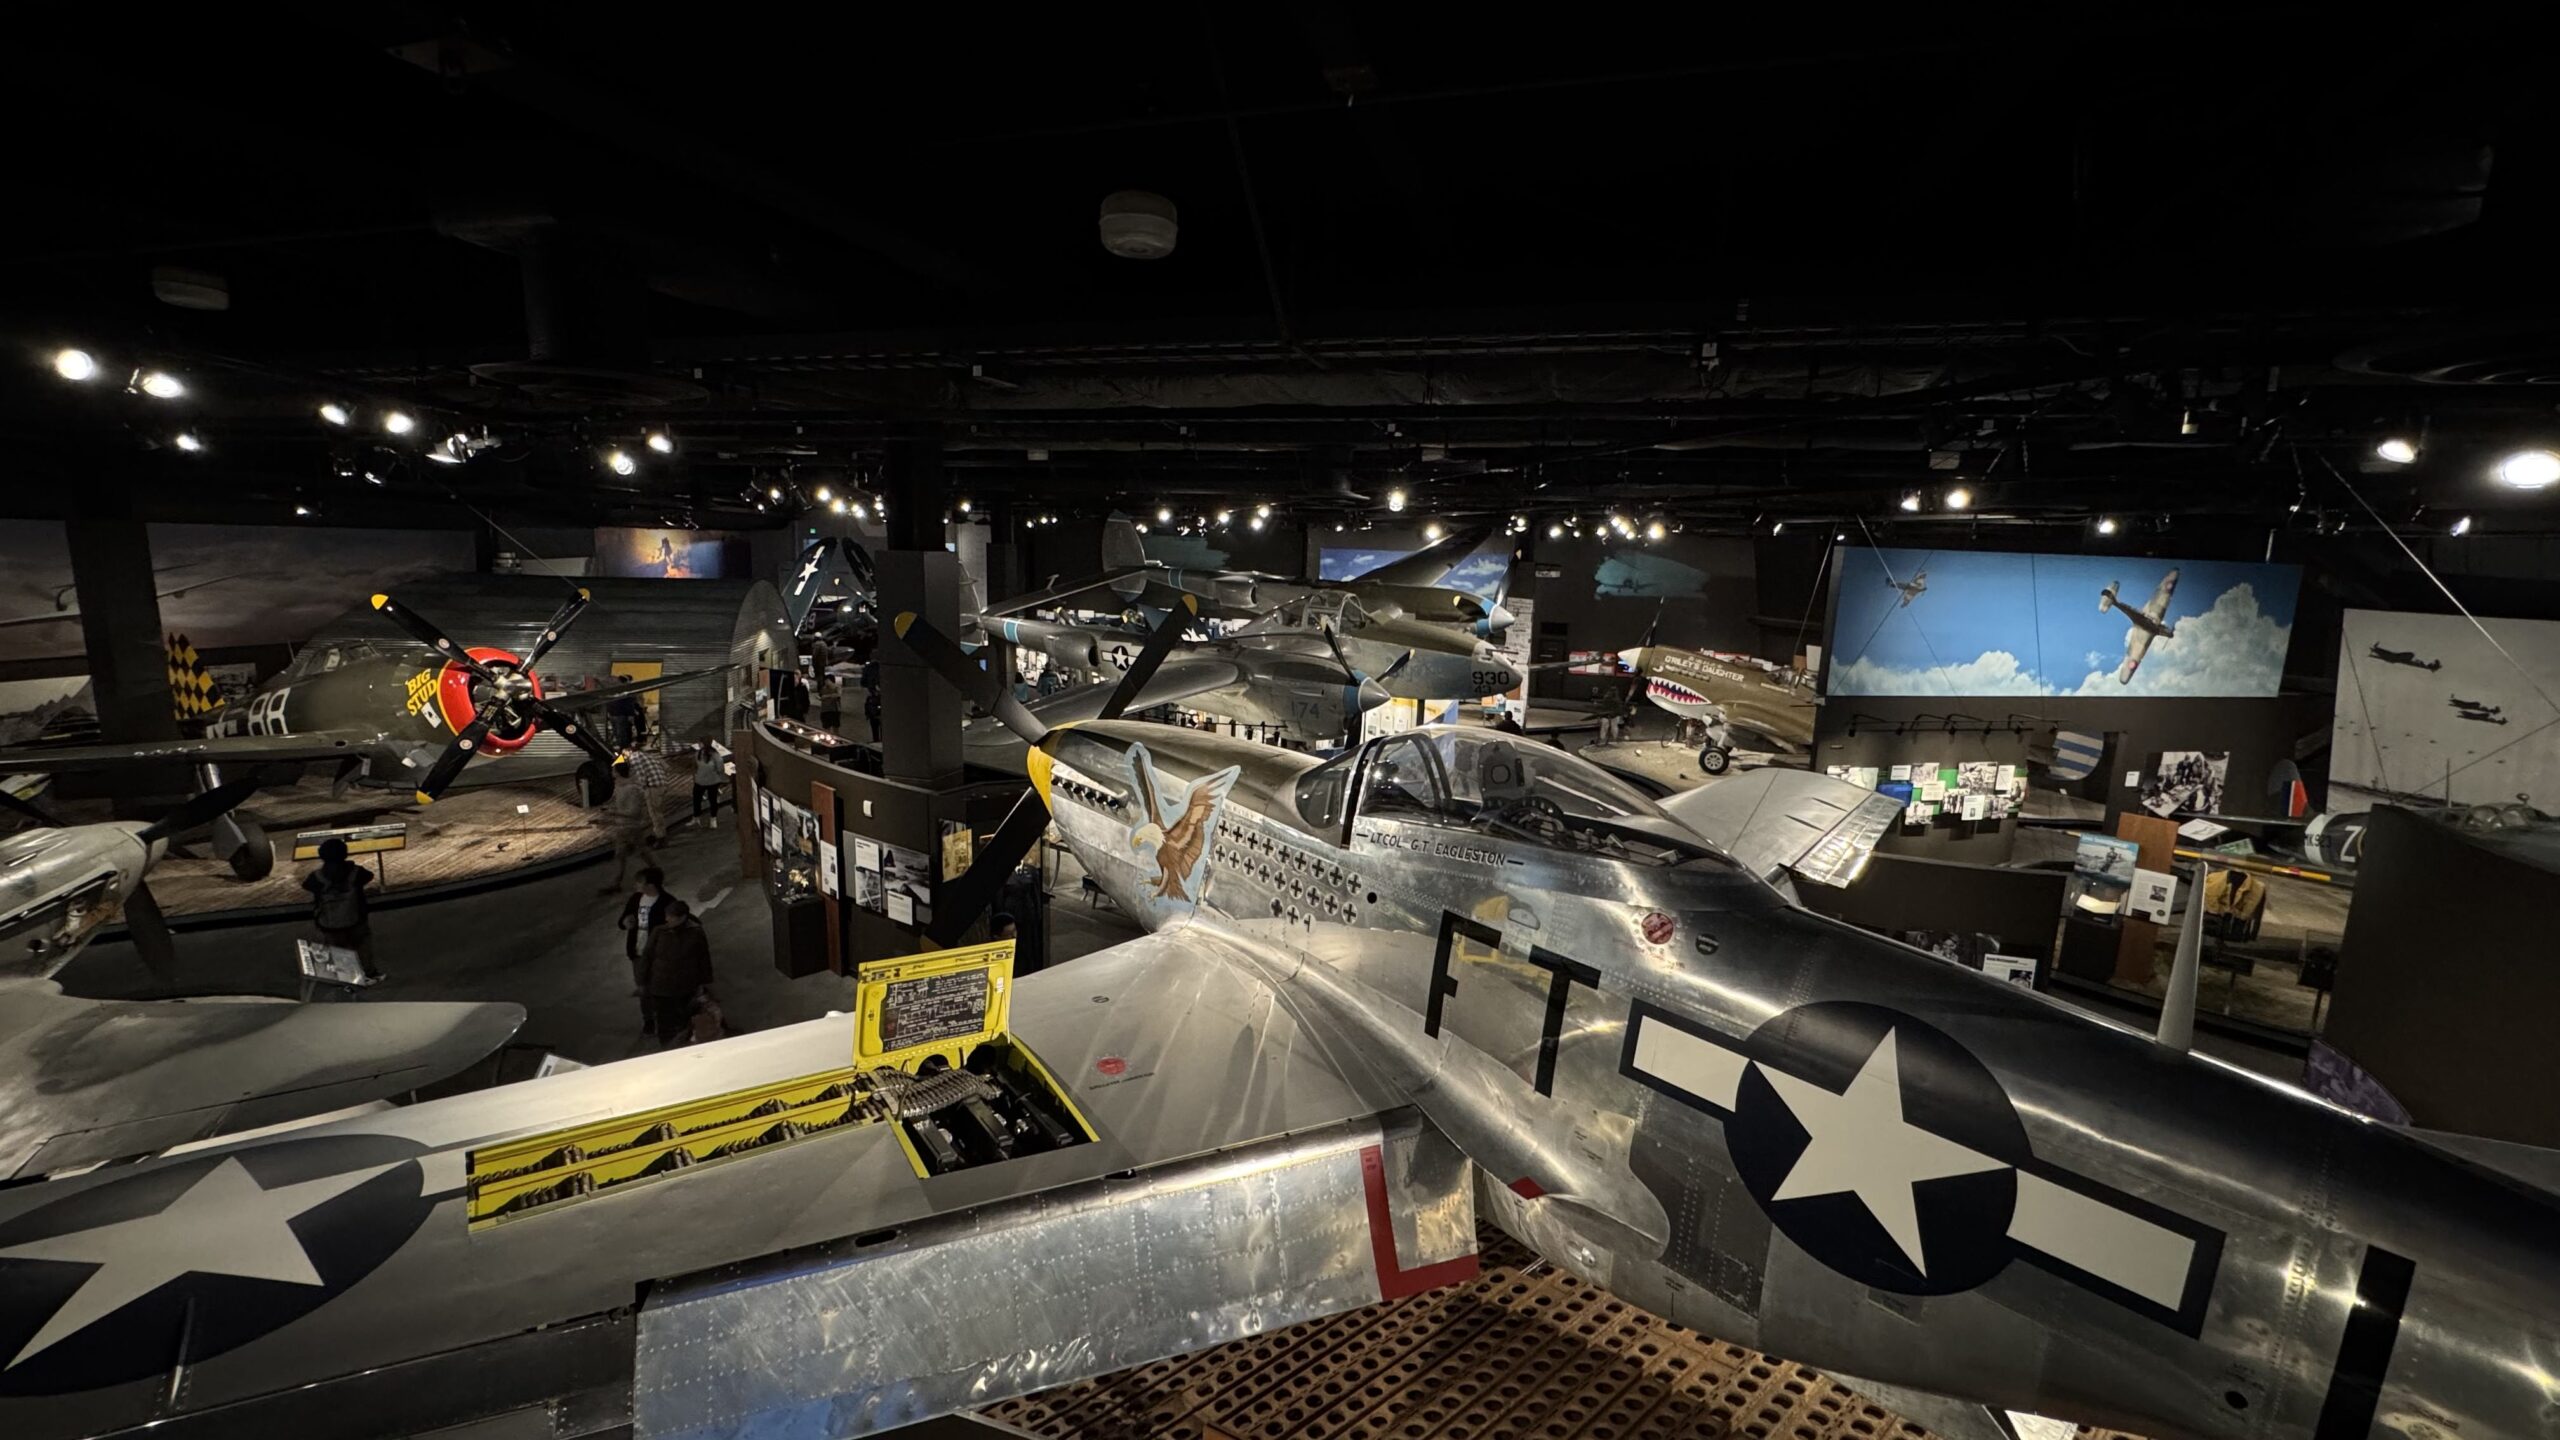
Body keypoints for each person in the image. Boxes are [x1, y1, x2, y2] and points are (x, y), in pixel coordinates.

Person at [302, 837, 383, 982]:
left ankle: (348, 977)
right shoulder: (356, 872)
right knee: (362, 945)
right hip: (356, 918)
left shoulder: (317, 877)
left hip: (329, 922)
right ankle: (369, 973)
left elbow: (307, 885)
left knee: (339, 950)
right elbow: (369, 876)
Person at [640, 897, 713, 1046]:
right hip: (661, 985)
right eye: (667, 916)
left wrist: (704, 982)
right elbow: (647, 955)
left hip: (685, 985)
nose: (667, 919)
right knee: (664, 1020)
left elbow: (703, 957)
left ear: (682, 917)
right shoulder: (659, 932)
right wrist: (643, 980)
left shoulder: (695, 933)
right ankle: (667, 1046)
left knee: (685, 1020)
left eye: (671, 917)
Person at [597, 759, 665, 893]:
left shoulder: (632, 789)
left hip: (631, 827)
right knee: (624, 854)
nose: (611, 772)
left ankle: (655, 871)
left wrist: (612, 813)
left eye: (613, 770)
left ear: (618, 772)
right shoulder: (620, 787)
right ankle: (617, 882)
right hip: (623, 827)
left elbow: (633, 812)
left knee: (639, 852)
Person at [617, 867, 673, 1017]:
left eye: (639, 882)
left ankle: (663, 1016)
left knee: (660, 987)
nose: (635, 885)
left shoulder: (667, 902)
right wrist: (624, 922)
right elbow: (623, 920)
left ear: (651, 885)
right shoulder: (635, 899)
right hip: (638, 952)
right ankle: (648, 1019)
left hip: (657, 954)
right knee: (643, 989)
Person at [691, 741, 726, 828]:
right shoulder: (699, 754)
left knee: (709, 799)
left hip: (709, 780)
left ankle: (711, 819)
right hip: (704, 780)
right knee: (703, 799)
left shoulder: (712, 754)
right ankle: (703, 818)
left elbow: (720, 767)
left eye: (700, 743)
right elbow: (720, 767)